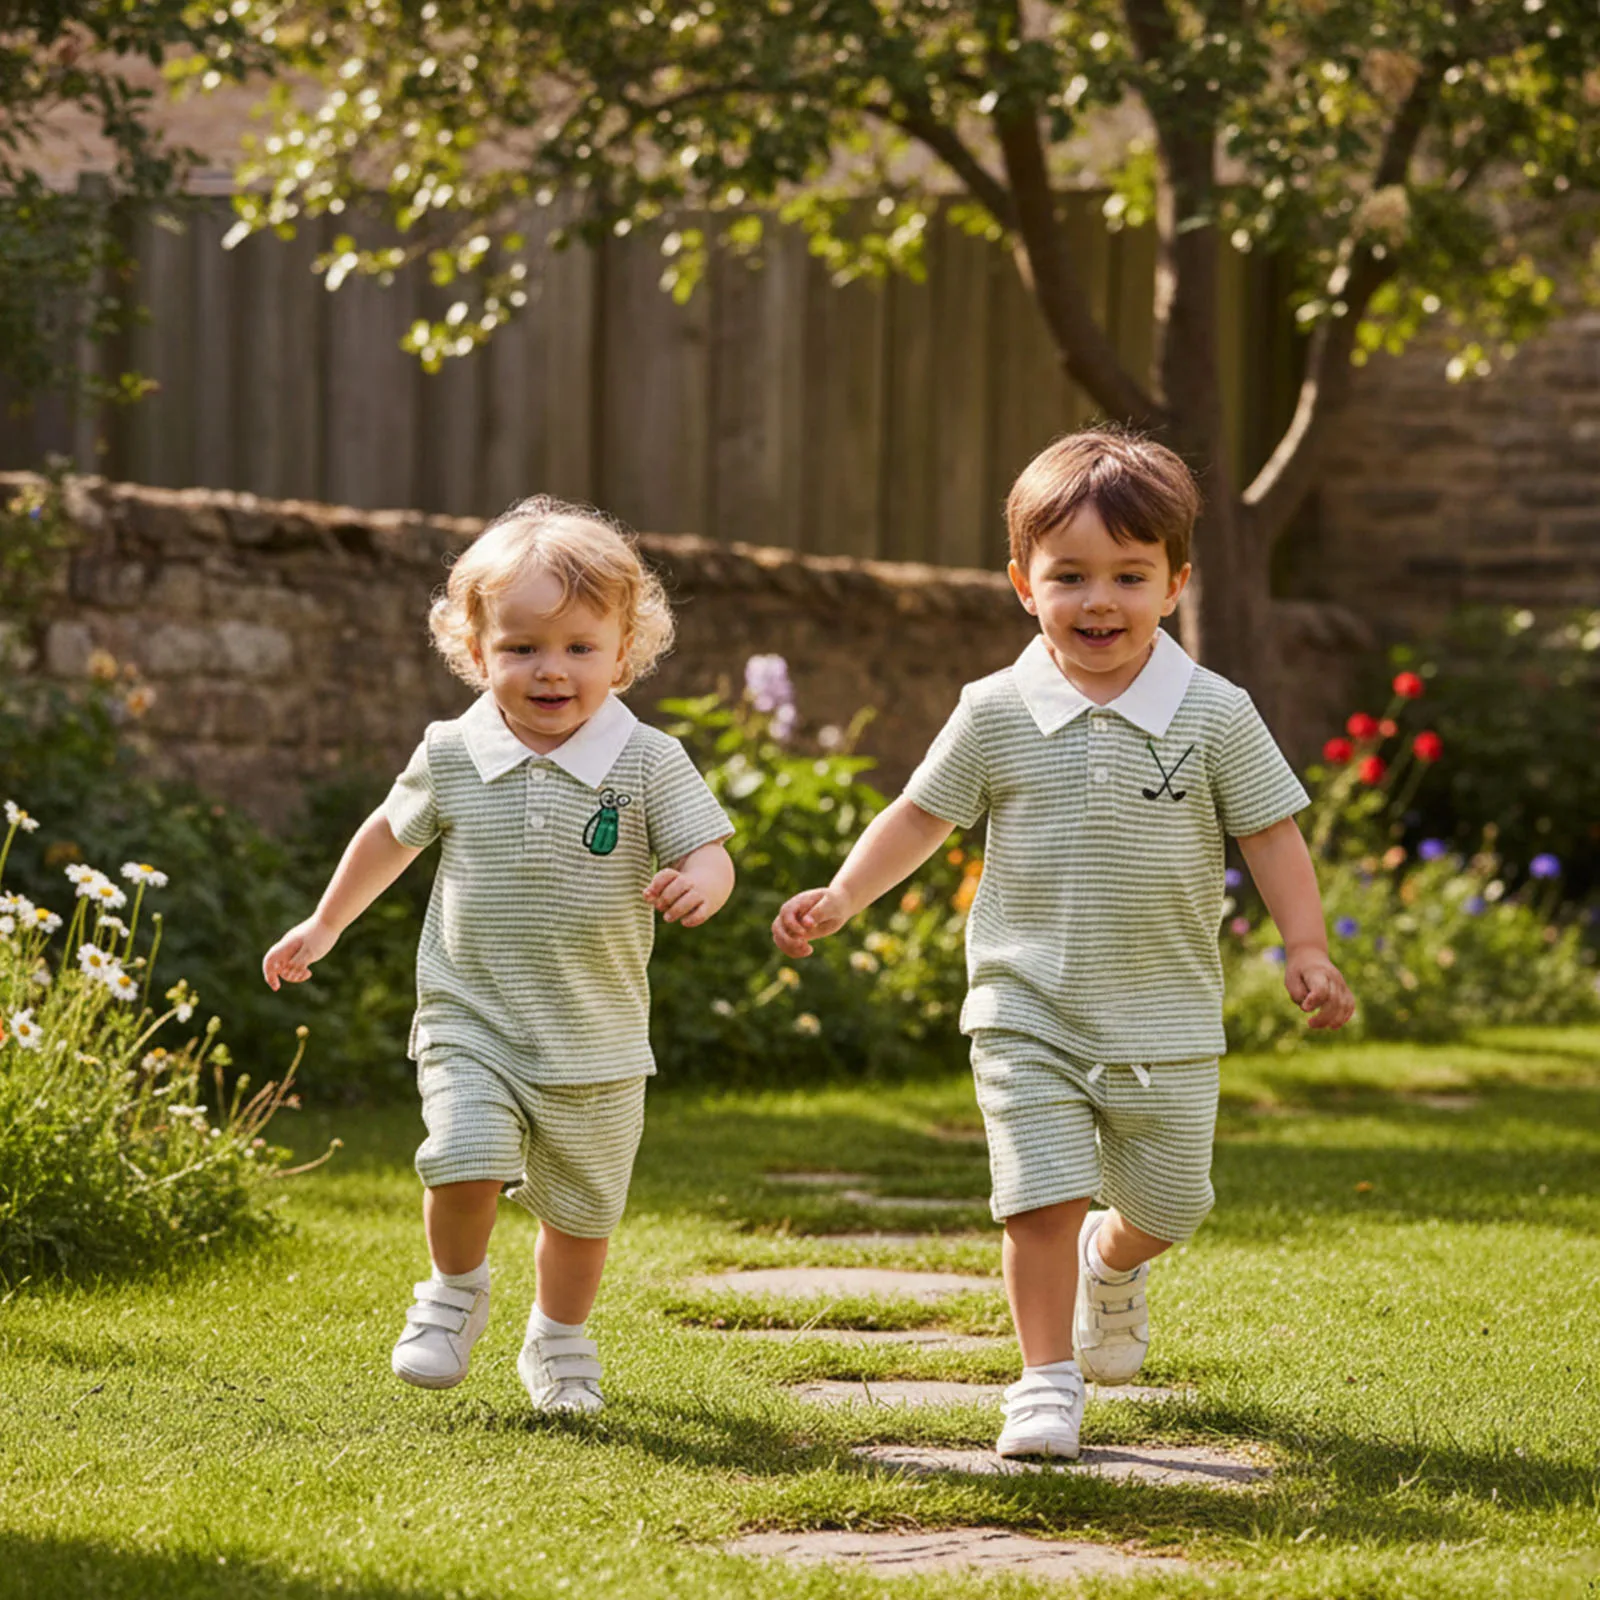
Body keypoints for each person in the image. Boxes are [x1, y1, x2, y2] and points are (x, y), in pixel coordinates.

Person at [772, 428, 1354, 1459]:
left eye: (1130, 576)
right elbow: (919, 813)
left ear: (1174, 583)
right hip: (1023, 1001)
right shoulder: (992, 712)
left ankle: (1114, 1262)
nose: (1099, 602)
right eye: (1070, 576)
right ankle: (1043, 1382)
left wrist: (1304, 946)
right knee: (1035, 1196)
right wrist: (846, 893)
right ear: (1021, 584)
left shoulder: (1215, 713)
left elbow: (1269, 831)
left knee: (1172, 1201)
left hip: (1164, 1011)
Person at [263, 497, 735, 1414]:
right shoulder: (452, 752)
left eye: (578, 648)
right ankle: (453, 1290)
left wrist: (702, 884)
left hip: (594, 1041)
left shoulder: (647, 761)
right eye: (521, 647)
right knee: (460, 1151)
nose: (549, 670)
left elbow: (708, 851)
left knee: (581, 1216)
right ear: (475, 652)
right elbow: (388, 838)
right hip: (470, 1015)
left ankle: (558, 1343)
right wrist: (324, 924)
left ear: (623, 651)